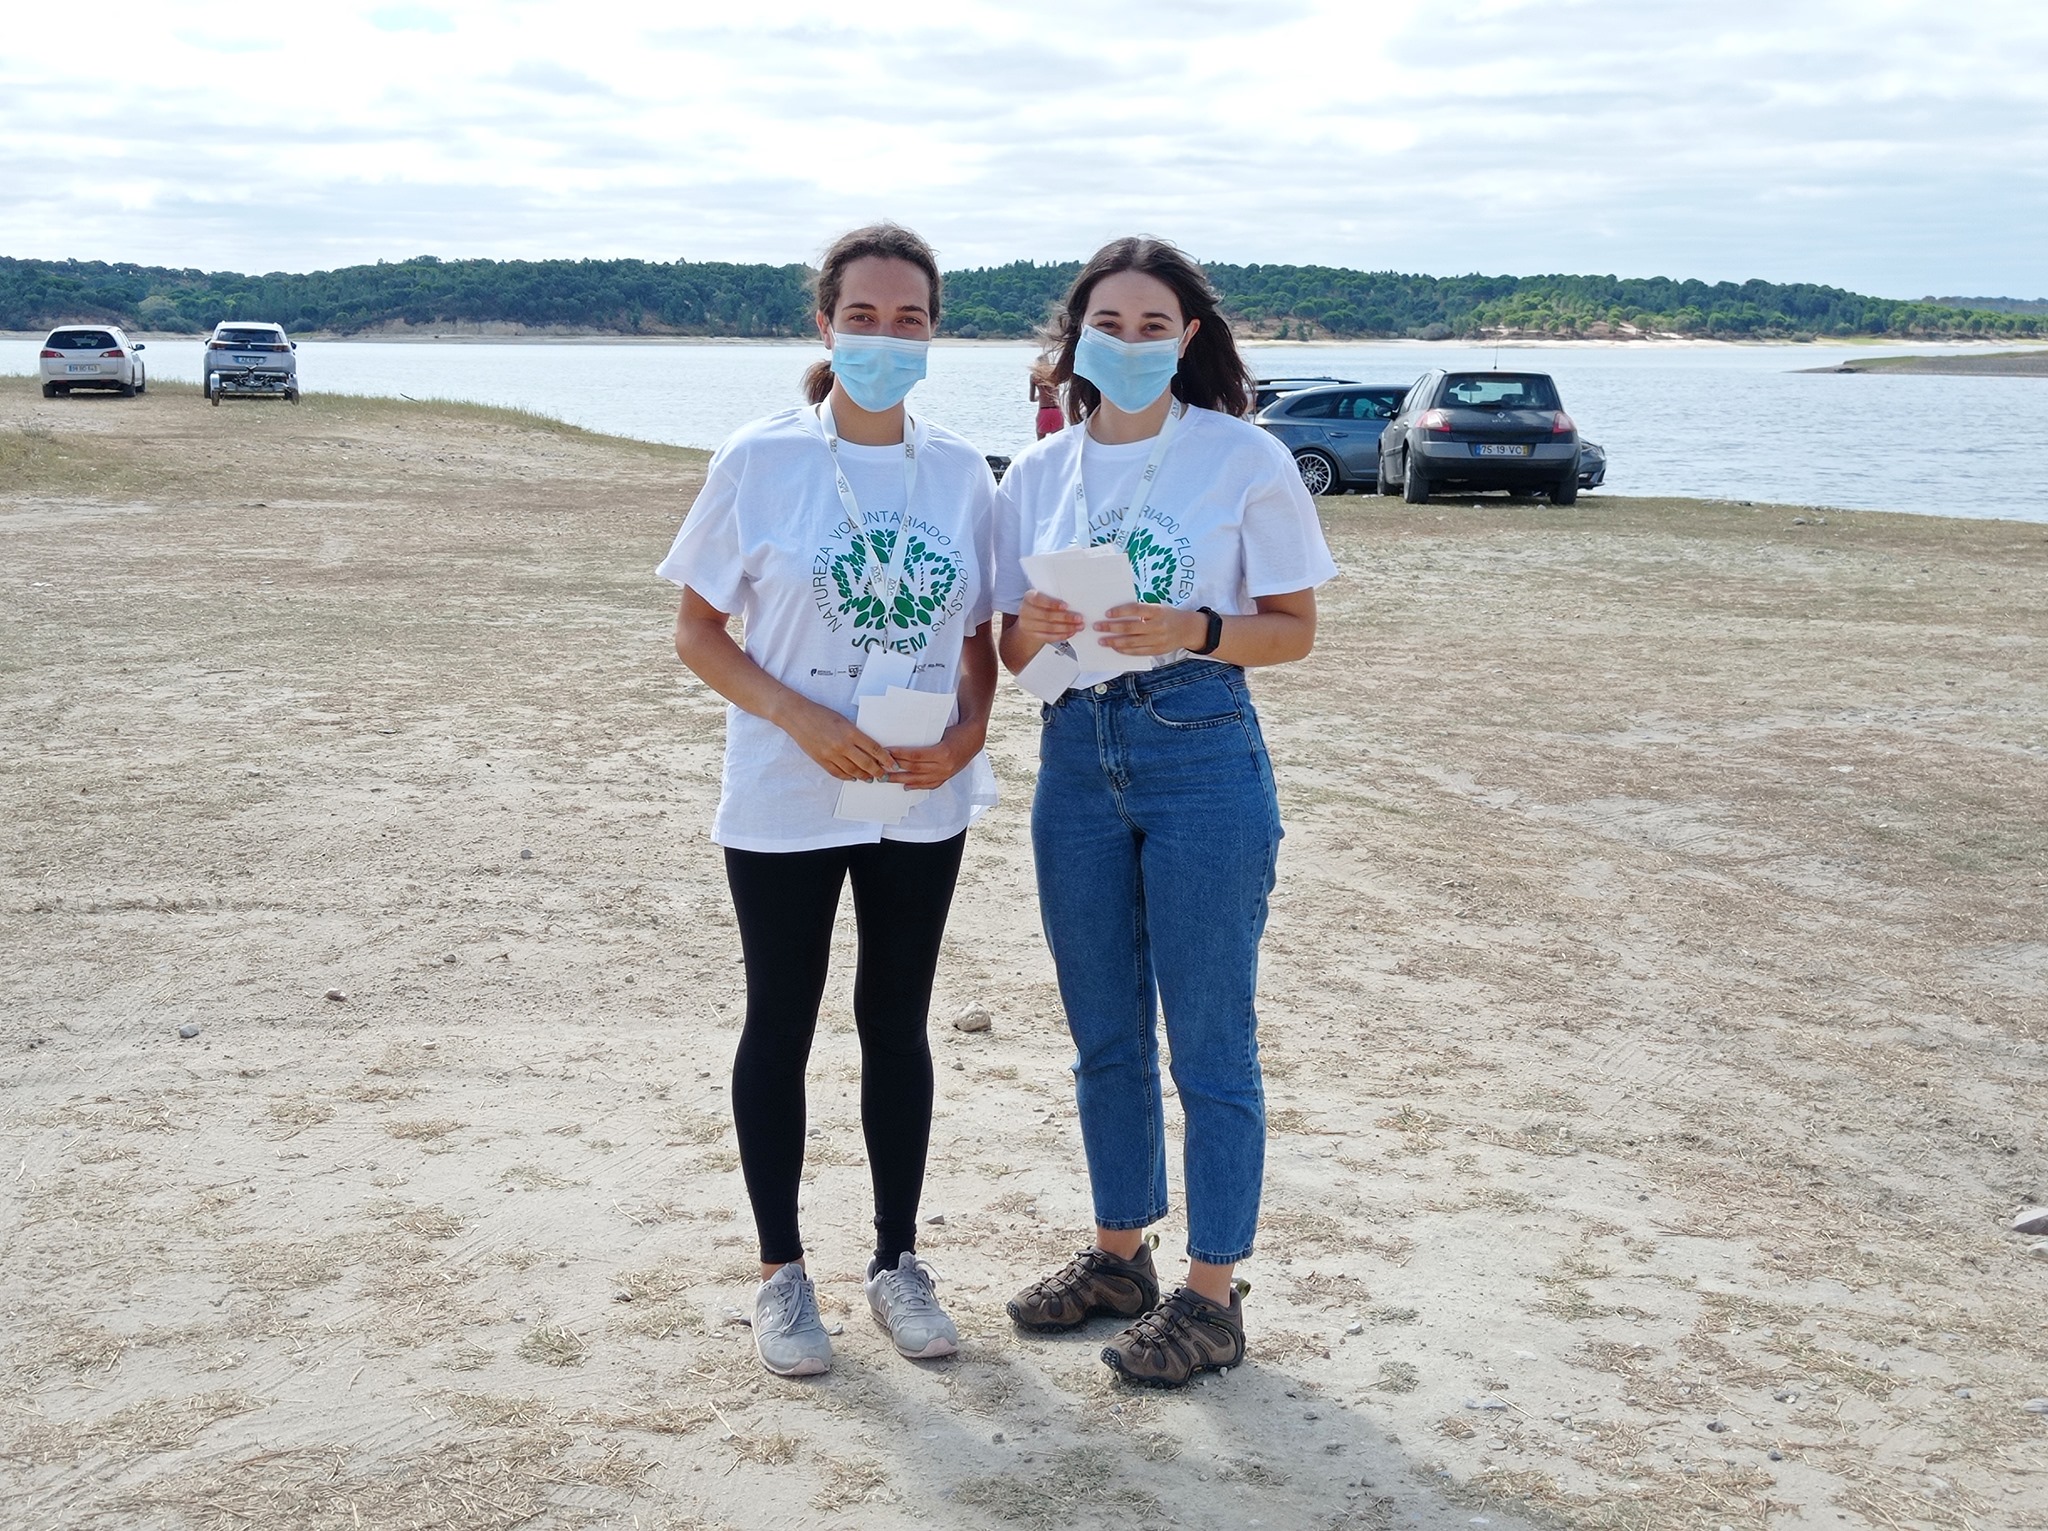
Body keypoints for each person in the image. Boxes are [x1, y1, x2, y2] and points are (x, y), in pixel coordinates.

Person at [992, 237, 1336, 1388]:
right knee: (1101, 1028)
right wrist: (1035, 630)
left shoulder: (1241, 457)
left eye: (1153, 327)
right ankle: (1115, 1255)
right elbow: (1008, 649)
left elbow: (1289, 628)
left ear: (1187, 339)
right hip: (1074, 751)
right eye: (1109, 324)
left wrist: (1188, 627)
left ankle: (1209, 1294)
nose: (1129, 344)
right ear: (1075, 336)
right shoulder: (1037, 474)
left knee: (1209, 1036)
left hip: (1198, 743)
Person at [657, 223, 998, 1379]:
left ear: (933, 334)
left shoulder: (959, 471)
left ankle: (898, 1261)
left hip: (915, 793)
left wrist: (966, 735)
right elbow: (698, 632)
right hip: (783, 791)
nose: (887, 337)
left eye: (910, 320)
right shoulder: (759, 460)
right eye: (865, 316)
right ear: (825, 322)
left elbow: (980, 638)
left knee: (895, 1021)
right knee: (783, 1021)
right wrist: (797, 717)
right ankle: (781, 1274)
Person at [1031, 364, 1065, 439]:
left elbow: (1031, 398)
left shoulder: (1034, 376)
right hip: (1056, 410)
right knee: (1058, 441)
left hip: (1044, 410)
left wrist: (1039, 397)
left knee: (1040, 442)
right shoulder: (1056, 375)